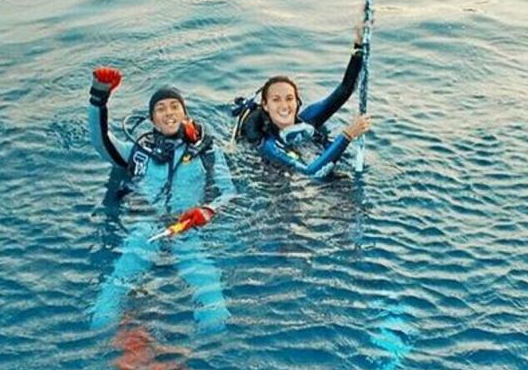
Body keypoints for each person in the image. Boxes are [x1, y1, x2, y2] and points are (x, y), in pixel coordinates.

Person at [88, 67, 235, 333]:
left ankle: (211, 338)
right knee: (118, 283)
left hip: (186, 228)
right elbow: (101, 142)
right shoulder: (137, 151)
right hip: (145, 228)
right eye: (161, 109)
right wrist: (99, 98)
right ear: (153, 120)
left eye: (175, 106)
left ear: (185, 114)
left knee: (211, 299)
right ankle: (103, 330)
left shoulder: (207, 151)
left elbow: (228, 191)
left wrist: (208, 211)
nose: (169, 112)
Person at [233, 25, 372, 178]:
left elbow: (345, 89)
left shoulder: (309, 119)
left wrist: (358, 47)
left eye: (289, 98)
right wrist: (348, 134)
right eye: (276, 100)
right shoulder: (268, 144)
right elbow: (310, 173)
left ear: (297, 102)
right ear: (265, 106)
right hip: (296, 189)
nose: (284, 106)